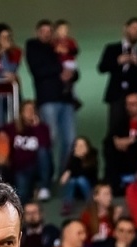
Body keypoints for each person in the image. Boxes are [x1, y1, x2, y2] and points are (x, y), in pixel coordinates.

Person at [28, 21, 78, 184]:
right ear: (37, 32)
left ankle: (64, 176)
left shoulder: (59, 46)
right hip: (48, 99)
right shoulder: (33, 46)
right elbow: (37, 69)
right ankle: (46, 178)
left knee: (70, 140)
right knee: (50, 139)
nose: (46, 34)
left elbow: (75, 70)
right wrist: (60, 70)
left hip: (66, 99)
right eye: (43, 30)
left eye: (49, 31)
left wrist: (71, 73)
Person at [99, 18, 137, 120]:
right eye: (134, 28)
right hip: (116, 96)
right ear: (126, 28)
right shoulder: (112, 49)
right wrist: (118, 61)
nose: (136, 32)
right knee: (115, 127)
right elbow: (102, 68)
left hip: (134, 98)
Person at [6, 101, 54, 204]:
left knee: (43, 151)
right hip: (20, 168)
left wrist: (37, 127)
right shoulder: (12, 128)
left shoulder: (43, 128)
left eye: (32, 109)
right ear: (21, 113)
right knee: (22, 195)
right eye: (27, 110)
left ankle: (44, 187)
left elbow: (45, 145)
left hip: (37, 165)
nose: (30, 112)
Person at [106, 92, 137, 190]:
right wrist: (116, 140)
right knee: (109, 148)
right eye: (128, 104)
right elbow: (111, 137)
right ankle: (116, 185)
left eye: (134, 104)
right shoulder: (119, 122)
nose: (131, 107)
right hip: (122, 157)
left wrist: (130, 141)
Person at [61, 137, 99, 210]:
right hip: (76, 189)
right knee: (72, 181)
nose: (79, 148)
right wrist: (76, 159)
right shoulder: (73, 156)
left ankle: (90, 202)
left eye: (82, 146)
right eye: (77, 146)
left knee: (81, 180)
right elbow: (66, 177)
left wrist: (78, 160)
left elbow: (88, 173)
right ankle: (67, 204)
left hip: (90, 186)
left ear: (87, 147)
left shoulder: (93, 156)